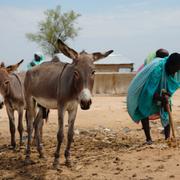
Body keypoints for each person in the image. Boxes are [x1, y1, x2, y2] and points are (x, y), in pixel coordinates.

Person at [127, 53, 180, 144]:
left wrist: (167, 96)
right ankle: (148, 139)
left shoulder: (176, 70)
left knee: (166, 106)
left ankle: (167, 138)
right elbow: (150, 90)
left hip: (162, 89)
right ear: (170, 65)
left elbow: (172, 84)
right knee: (144, 108)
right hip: (147, 89)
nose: (175, 72)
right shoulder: (157, 70)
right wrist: (160, 98)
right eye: (175, 69)